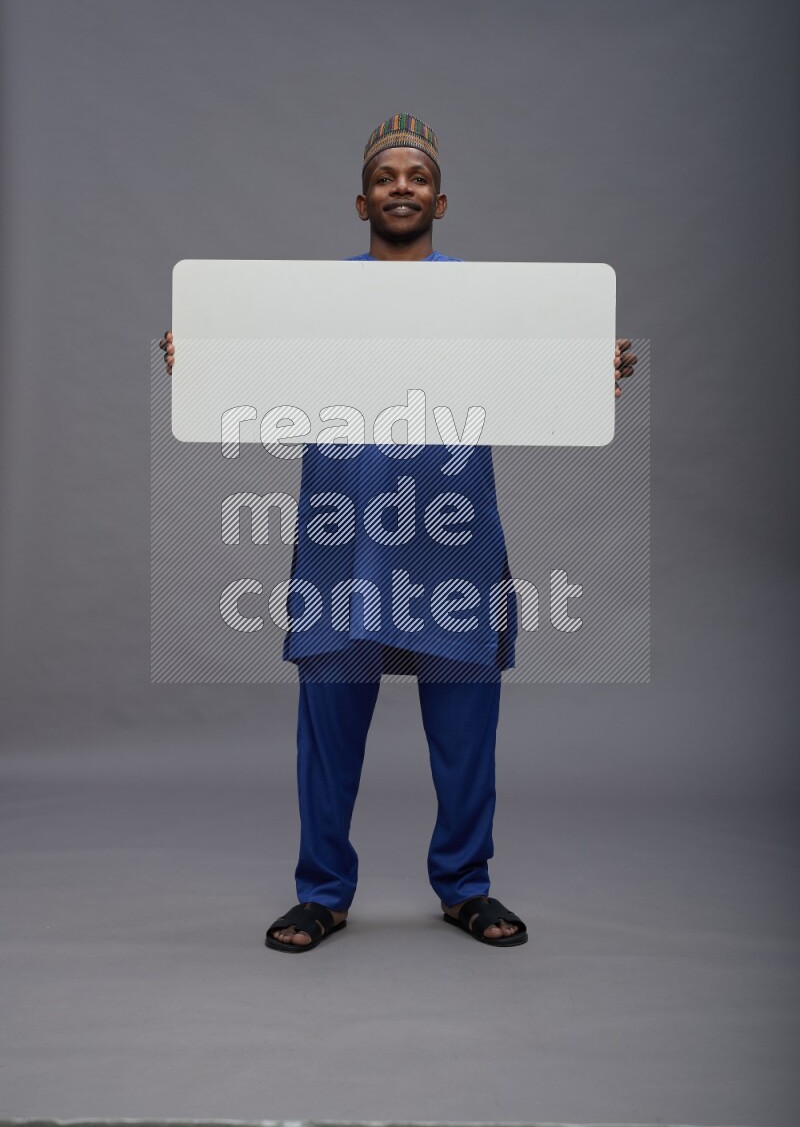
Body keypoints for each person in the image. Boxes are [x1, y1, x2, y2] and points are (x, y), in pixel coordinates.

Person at [161, 113, 636, 952]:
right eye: (387, 177)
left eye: (416, 177)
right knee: (329, 729)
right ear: (361, 201)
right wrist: (198, 361)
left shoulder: (486, 302)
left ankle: (465, 885)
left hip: (453, 541)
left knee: (464, 732)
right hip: (344, 538)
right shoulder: (313, 303)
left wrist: (588, 371)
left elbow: (540, 379)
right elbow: (251, 377)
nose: (403, 187)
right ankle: (322, 890)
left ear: (441, 199)